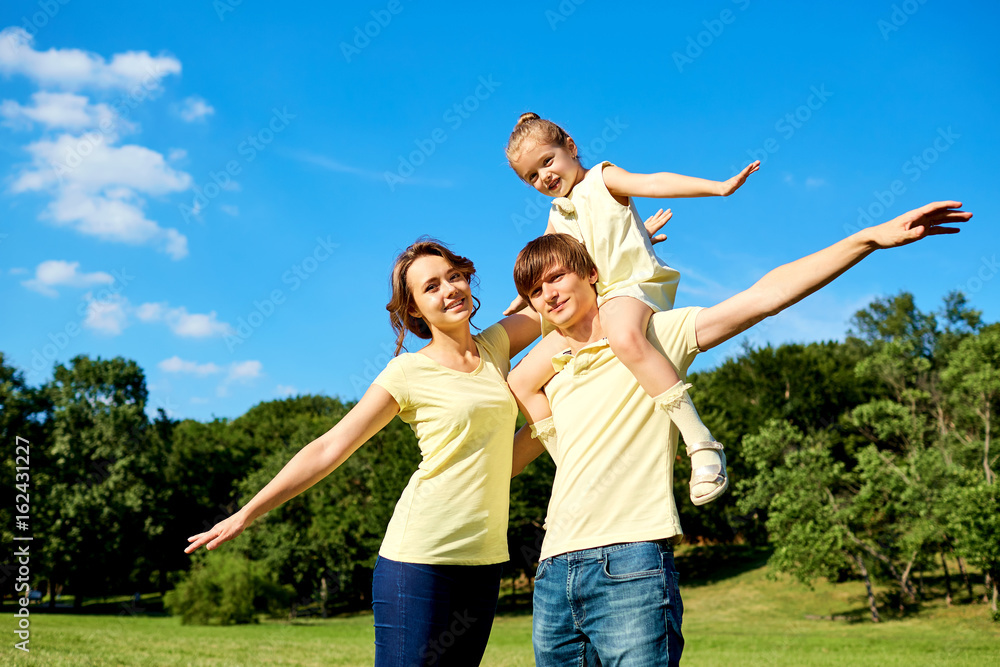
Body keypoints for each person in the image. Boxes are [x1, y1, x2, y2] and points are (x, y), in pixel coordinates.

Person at [509, 201, 970, 666]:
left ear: (591, 273)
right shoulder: (549, 375)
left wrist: (865, 239)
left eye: (556, 277)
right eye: (534, 290)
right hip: (553, 571)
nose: (547, 294)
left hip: (628, 563)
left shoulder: (652, 336)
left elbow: (764, 297)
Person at [184, 239, 544, 666]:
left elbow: (568, 290)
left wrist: (621, 217)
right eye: (431, 287)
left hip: (484, 560)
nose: (449, 289)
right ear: (413, 309)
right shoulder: (408, 371)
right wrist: (247, 512)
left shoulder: (496, 346)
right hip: (418, 562)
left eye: (454, 276)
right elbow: (329, 447)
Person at [505, 112, 760, 506]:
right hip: (594, 305)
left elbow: (654, 182)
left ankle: (702, 443)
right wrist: (520, 300)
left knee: (623, 335)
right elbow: (544, 264)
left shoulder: (602, 180)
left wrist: (719, 187)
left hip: (632, 288)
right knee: (520, 380)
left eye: (548, 161)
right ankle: (571, 470)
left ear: (570, 147)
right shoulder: (557, 215)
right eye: (532, 177)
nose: (544, 177)